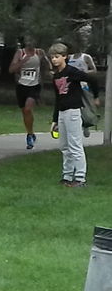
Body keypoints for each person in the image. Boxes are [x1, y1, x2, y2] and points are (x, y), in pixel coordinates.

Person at [48, 42, 99, 187]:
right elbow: (58, 99)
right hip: (62, 113)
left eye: (57, 57)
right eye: (52, 57)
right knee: (64, 146)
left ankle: (80, 178)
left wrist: (95, 96)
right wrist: (55, 119)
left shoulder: (72, 72)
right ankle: (67, 176)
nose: (54, 60)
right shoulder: (56, 75)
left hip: (74, 111)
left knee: (75, 145)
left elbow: (93, 79)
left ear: (65, 57)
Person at [8, 36, 51, 149]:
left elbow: (48, 66)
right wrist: (23, 61)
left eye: (32, 40)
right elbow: (11, 69)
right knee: (25, 112)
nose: (30, 43)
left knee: (28, 109)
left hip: (35, 85)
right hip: (21, 85)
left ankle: (29, 136)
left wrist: (46, 64)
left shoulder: (39, 52)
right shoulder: (20, 53)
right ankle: (31, 133)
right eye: (28, 41)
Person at [67, 48, 98, 137]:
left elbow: (94, 70)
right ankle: (74, 127)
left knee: (83, 107)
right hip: (71, 85)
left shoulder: (86, 57)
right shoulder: (70, 57)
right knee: (72, 107)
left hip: (83, 85)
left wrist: (83, 72)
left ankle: (85, 125)